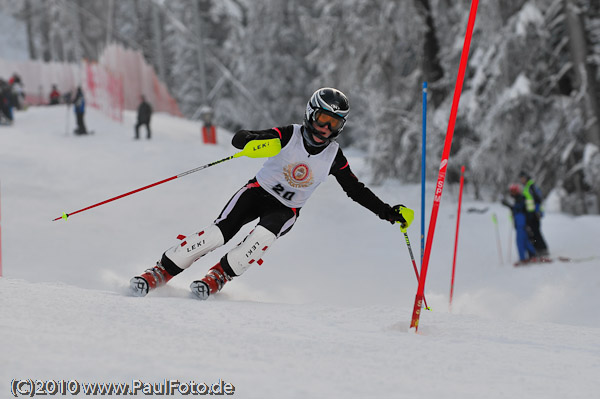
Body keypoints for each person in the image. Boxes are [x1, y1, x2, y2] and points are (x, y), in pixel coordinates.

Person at [130, 88, 413, 299]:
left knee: (262, 237)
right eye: (323, 119)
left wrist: (387, 212)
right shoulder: (288, 135)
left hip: (285, 210)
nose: (325, 129)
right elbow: (245, 138)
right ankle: (161, 270)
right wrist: (247, 140)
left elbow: (356, 190)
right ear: (311, 114)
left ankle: (220, 274)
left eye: (334, 124)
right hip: (256, 193)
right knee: (220, 233)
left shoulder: (334, 156)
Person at [502, 184, 537, 266]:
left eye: (514, 191)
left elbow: (518, 209)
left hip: (521, 221)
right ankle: (533, 255)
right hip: (520, 222)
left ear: (517, 191)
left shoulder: (520, 198)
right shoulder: (518, 198)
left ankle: (523, 258)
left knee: (520, 241)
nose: (512, 193)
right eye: (511, 191)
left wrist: (508, 205)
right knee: (525, 240)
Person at [518, 171, 549, 256]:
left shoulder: (531, 186)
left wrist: (538, 211)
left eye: (523, 178)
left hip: (535, 214)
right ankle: (537, 248)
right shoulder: (526, 187)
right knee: (532, 232)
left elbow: (538, 199)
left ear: (526, 177)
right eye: (520, 179)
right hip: (529, 214)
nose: (521, 180)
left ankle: (543, 249)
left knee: (536, 231)